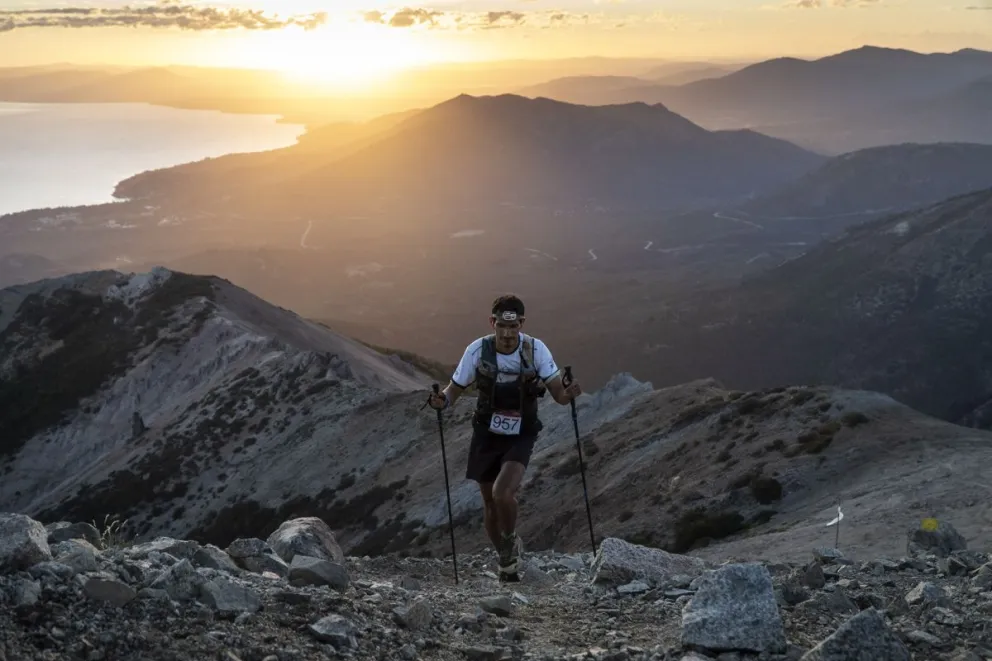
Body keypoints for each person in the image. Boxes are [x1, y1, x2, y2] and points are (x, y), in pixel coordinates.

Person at [428, 294, 582, 581]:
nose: (508, 334)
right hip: (486, 431)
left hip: (521, 432)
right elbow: (454, 389)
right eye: (502, 326)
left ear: (522, 323)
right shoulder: (477, 351)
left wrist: (569, 393)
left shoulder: (536, 350)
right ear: (492, 323)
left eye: (514, 327)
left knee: (502, 493)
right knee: (488, 502)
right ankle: (505, 558)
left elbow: (559, 395)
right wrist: (442, 402)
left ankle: (510, 542)